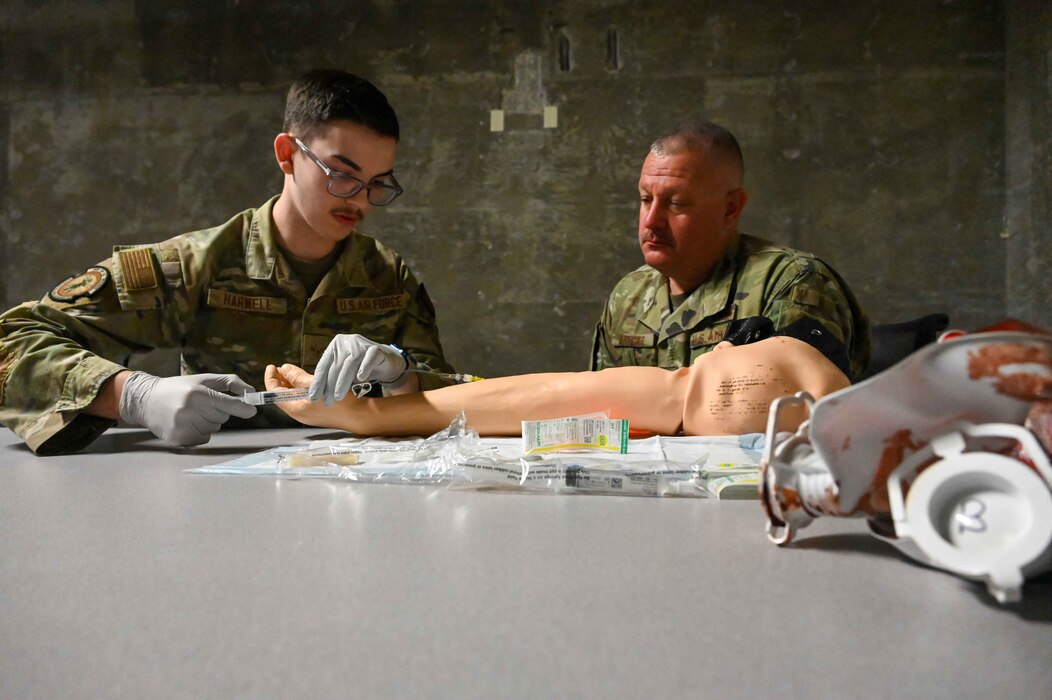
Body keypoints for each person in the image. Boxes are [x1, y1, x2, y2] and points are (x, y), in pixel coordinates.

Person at [0, 69, 454, 455]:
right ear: (287, 154)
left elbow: (457, 399)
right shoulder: (198, 266)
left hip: (359, 489)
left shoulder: (388, 278)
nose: (360, 200)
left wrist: (401, 376)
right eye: (341, 174)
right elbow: (10, 344)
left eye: (377, 184)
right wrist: (133, 396)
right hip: (217, 493)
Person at [591, 122, 871, 381]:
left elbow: (796, 412)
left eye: (675, 203)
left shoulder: (788, 283)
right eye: (645, 199)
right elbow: (605, 414)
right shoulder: (628, 295)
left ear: (730, 209)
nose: (651, 220)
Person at [262, 318, 852, 438]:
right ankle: (369, 416)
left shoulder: (785, 304)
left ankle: (368, 417)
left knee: (685, 391)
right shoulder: (631, 295)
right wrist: (401, 382)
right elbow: (539, 397)